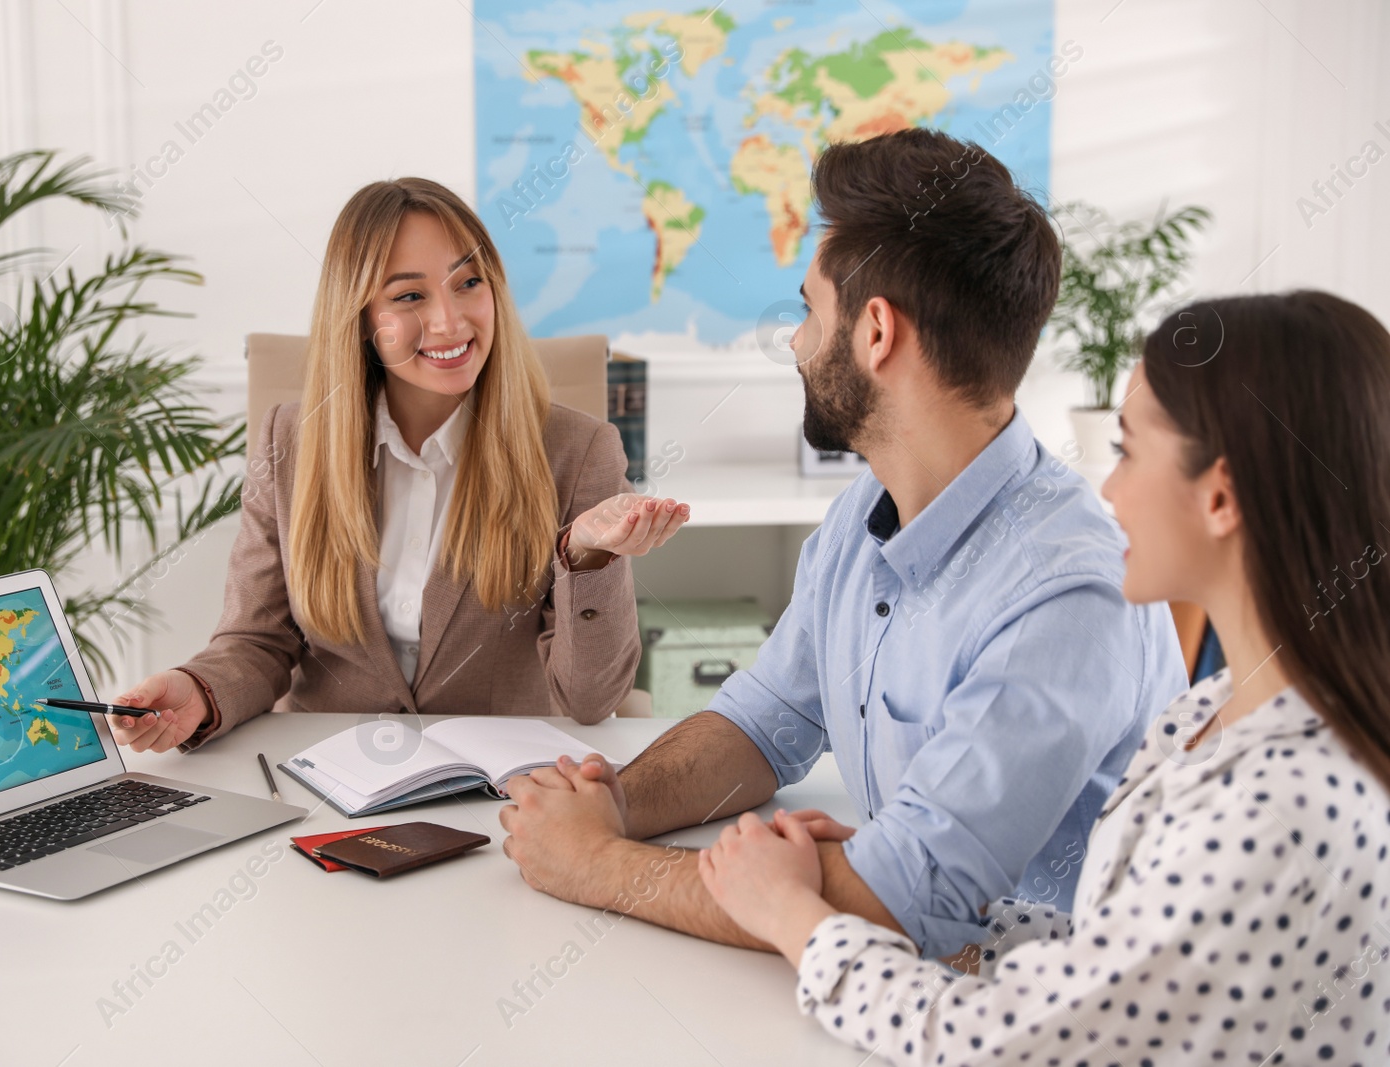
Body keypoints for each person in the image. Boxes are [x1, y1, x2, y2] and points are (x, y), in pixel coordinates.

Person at [498, 129, 1187, 965]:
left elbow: (897, 901)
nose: (794, 341)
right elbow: (765, 723)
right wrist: (611, 804)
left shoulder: (1068, 593)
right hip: (902, 990)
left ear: (875, 334)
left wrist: (598, 863)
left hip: (1040, 1012)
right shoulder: (870, 508)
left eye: (809, 312)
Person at [700, 290, 1390, 1062]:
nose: (1109, 491)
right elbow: (1119, 956)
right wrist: (918, 905)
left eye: (1127, 451)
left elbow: (1003, 1046)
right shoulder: (1222, 708)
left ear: (1220, 495)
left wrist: (795, 913)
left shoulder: (1280, 807)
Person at [107, 177, 688, 753]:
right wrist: (197, 691)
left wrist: (587, 556)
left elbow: (591, 699)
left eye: (468, 283)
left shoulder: (578, 450)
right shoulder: (291, 440)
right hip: (323, 777)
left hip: (496, 788)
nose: (449, 322)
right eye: (410, 296)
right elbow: (258, 640)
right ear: (361, 317)